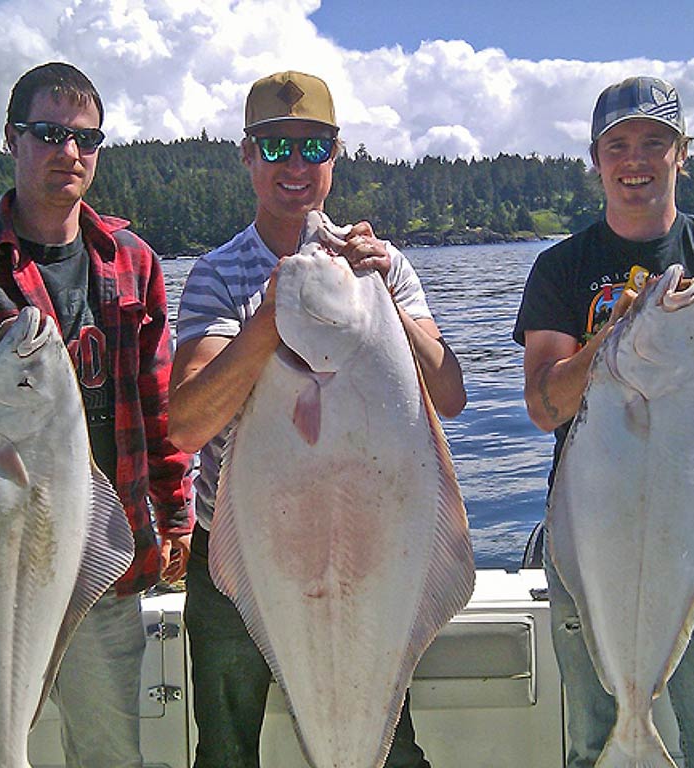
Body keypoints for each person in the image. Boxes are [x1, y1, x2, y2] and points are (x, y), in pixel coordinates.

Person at [0, 62, 193, 768]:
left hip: (96, 565)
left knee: (112, 755)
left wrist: (175, 517)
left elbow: (156, 403)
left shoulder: (133, 262)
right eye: (49, 133)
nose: (69, 152)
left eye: (86, 138)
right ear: (11, 140)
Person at [169, 70, 466, 768]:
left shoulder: (384, 269)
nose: (295, 166)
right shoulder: (218, 274)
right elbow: (187, 424)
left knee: (389, 747)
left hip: (374, 549)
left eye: (313, 147)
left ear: (336, 156)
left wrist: (382, 293)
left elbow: (448, 393)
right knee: (225, 755)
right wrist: (275, 315)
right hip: (241, 558)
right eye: (274, 148)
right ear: (246, 156)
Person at [513, 76, 694, 767]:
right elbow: (544, 408)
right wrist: (616, 340)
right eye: (619, 144)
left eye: (654, 142)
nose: (636, 159)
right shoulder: (560, 268)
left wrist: (663, 375)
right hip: (588, 527)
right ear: (596, 160)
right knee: (593, 739)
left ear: (682, 153)